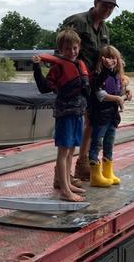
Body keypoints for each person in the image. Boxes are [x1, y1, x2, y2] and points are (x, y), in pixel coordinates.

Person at [59, 0, 131, 180]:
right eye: (104, 5)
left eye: (111, 7)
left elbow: (108, 55)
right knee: (75, 127)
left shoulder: (105, 28)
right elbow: (62, 50)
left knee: (92, 123)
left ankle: (82, 165)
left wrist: (120, 79)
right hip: (77, 83)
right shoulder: (78, 22)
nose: (107, 9)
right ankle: (63, 176)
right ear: (95, 3)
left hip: (95, 83)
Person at [32, 29, 89, 202]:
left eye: (75, 48)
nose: (72, 52)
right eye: (68, 49)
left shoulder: (79, 65)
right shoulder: (58, 68)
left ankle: (67, 183)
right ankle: (64, 190)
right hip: (65, 114)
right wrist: (36, 67)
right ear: (60, 50)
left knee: (72, 150)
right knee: (63, 151)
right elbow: (43, 87)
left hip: (78, 113)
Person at [87, 45, 130, 187]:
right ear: (101, 60)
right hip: (100, 116)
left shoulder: (117, 76)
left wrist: (126, 94)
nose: (111, 61)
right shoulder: (97, 76)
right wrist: (117, 99)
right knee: (96, 143)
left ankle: (108, 172)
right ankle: (95, 175)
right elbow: (100, 95)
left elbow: (119, 93)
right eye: (108, 58)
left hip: (112, 116)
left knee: (109, 143)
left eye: (114, 58)